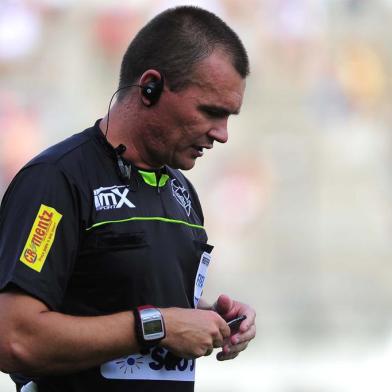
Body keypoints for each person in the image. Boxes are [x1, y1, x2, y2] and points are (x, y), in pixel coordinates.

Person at [0, 6, 256, 392]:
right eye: (210, 111)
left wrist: (210, 318)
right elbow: (13, 338)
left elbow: (117, 297)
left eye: (229, 117)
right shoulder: (57, 181)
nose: (222, 134)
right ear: (150, 87)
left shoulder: (182, 193)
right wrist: (159, 325)